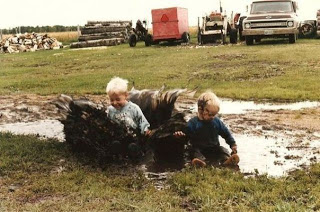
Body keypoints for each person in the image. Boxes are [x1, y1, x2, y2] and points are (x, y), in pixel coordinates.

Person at [174, 91, 239, 167]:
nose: (212, 117)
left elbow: (226, 134)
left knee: (222, 150)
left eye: (214, 115)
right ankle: (200, 162)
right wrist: (180, 136)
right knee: (193, 151)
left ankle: (226, 160)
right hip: (199, 149)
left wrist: (233, 144)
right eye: (210, 114)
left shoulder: (216, 122)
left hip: (214, 148)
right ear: (200, 110)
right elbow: (186, 137)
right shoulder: (193, 123)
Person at [106, 77, 151, 158]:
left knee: (132, 147)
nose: (115, 103)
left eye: (118, 99)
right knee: (115, 144)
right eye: (111, 100)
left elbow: (142, 120)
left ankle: (136, 161)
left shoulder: (134, 108)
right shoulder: (110, 110)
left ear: (126, 95)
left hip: (133, 137)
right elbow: (108, 123)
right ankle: (118, 160)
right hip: (118, 136)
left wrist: (145, 129)